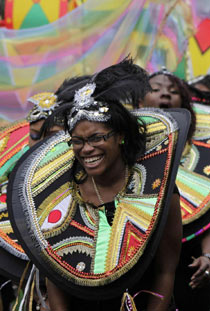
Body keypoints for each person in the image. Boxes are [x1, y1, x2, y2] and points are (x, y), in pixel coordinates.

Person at [29, 69, 184, 311]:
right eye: (77, 141)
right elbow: (54, 270)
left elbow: (166, 271)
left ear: (120, 136)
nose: (86, 149)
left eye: (96, 138)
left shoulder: (158, 187)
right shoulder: (60, 189)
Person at [142, 68, 210, 310]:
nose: (165, 95)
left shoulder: (200, 155)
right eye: (155, 89)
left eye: (173, 91)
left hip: (188, 261)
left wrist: (208, 257)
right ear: (138, 100)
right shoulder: (126, 149)